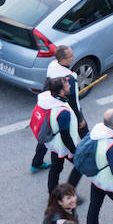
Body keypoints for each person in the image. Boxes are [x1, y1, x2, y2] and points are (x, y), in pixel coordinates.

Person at [32, 46, 88, 175]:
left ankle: (37, 162)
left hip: (49, 106)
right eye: (70, 56)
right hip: (63, 109)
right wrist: (79, 118)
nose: (73, 57)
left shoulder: (52, 65)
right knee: (84, 132)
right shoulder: (69, 77)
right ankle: (88, 157)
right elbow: (73, 101)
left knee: (46, 134)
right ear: (64, 60)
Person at [39, 75, 85, 196]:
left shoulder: (50, 100)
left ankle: (52, 193)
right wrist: (75, 151)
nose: (69, 85)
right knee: (80, 164)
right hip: (62, 144)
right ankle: (68, 194)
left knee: (56, 167)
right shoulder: (63, 112)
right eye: (66, 85)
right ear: (60, 91)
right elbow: (65, 136)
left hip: (54, 142)